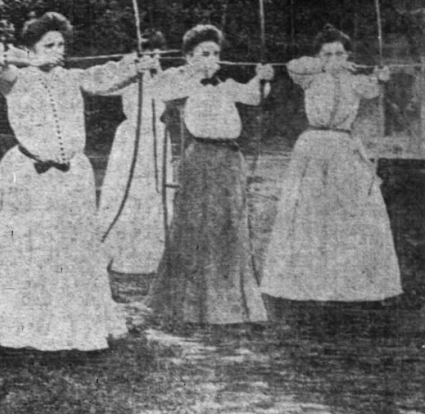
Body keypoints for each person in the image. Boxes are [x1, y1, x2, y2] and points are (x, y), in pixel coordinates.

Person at [0, 12, 154, 351]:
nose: (58, 50)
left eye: (62, 44)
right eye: (49, 44)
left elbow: (104, 78)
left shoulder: (72, 77)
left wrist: (132, 65)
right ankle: (23, 327)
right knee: (30, 251)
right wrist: (28, 57)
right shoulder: (14, 78)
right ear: (31, 48)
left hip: (70, 178)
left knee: (71, 250)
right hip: (30, 176)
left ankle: (73, 326)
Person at [261, 24, 402, 303]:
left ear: (348, 55)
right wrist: (325, 65)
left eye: (340, 53)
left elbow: (373, 88)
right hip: (314, 145)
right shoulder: (311, 77)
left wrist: (379, 76)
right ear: (319, 56)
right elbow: (294, 65)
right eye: (328, 53)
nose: (335, 58)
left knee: (350, 212)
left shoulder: (354, 81)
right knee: (311, 210)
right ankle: (306, 281)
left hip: (344, 146)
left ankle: (347, 282)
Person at [145, 24, 274, 326]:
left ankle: (228, 302)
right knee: (196, 228)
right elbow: (158, 88)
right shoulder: (184, 83)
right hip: (200, 159)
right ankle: (188, 304)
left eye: (216, 53)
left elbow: (253, 96)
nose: (212, 58)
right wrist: (159, 69)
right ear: (189, 57)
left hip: (230, 160)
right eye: (204, 53)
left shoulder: (225, 84)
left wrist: (262, 77)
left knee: (229, 226)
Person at [97, 31, 178, 274]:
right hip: (131, 136)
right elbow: (104, 86)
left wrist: (155, 71)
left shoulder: (160, 77)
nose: (153, 58)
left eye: (156, 53)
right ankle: (122, 253)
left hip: (156, 135)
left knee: (157, 190)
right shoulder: (127, 74)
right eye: (146, 52)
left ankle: (154, 254)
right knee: (127, 188)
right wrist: (133, 68)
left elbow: (176, 88)